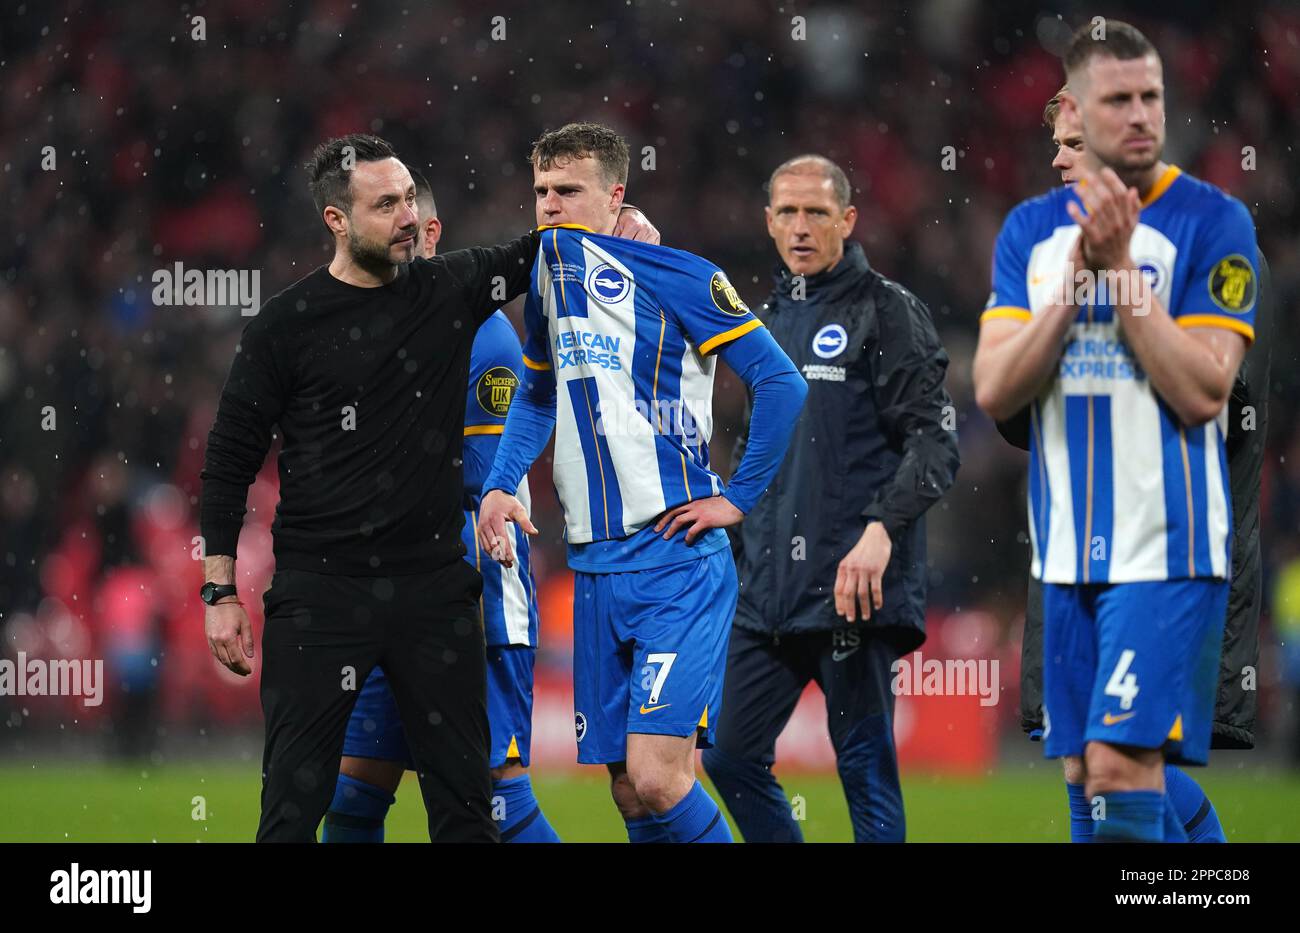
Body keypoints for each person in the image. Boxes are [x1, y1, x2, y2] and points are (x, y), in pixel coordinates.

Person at [199, 134, 656, 842]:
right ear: (337, 221)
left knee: (473, 811)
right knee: (299, 808)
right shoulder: (284, 327)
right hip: (321, 596)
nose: (409, 217)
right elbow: (228, 461)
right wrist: (221, 592)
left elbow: (542, 247)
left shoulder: (449, 294)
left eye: (411, 198)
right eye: (387, 205)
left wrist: (622, 231)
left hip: (435, 595)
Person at [476, 122, 808, 843]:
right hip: (595, 569)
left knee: (661, 777)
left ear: (616, 194)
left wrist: (738, 498)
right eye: (541, 192)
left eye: (569, 191)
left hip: (675, 562)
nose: (551, 206)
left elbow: (780, 382)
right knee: (630, 792)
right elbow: (536, 393)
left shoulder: (681, 274)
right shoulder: (548, 282)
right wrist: (502, 482)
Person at [973, 21, 1259, 842]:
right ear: (1079, 112)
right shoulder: (1030, 231)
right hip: (1065, 550)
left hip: (1166, 547)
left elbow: (1206, 388)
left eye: (1151, 96)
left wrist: (1124, 274)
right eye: (1118, 99)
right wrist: (1073, 284)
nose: (1139, 114)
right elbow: (997, 385)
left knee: (1119, 766)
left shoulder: (1213, 223)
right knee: (1082, 770)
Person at [701, 155, 960, 842]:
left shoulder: (888, 311)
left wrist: (880, 531)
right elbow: (760, 453)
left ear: (847, 219)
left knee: (865, 773)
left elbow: (935, 444)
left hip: (852, 591)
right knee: (727, 755)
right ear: (767, 222)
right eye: (786, 211)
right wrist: (735, 542)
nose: (800, 226)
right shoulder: (765, 322)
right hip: (769, 593)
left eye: (817, 211)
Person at [321, 170, 559, 843]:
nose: (394, 241)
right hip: (389, 591)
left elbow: (485, 491)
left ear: (433, 235)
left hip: (470, 587)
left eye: (408, 228)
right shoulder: (363, 333)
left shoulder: (482, 338)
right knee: (354, 791)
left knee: (495, 800)